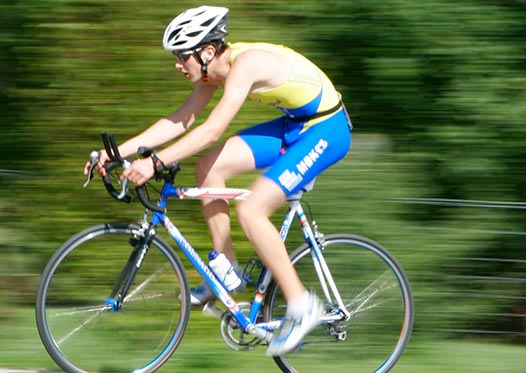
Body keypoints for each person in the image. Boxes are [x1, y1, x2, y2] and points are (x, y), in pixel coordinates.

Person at [85, 5, 353, 356]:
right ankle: (227, 269)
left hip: (325, 130)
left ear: (208, 52)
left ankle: (303, 305)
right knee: (207, 167)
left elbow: (211, 130)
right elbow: (181, 120)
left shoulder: (246, 65)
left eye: (183, 56)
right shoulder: (214, 72)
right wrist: (117, 152)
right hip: (295, 126)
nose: (177, 65)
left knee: (252, 210)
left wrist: (155, 162)